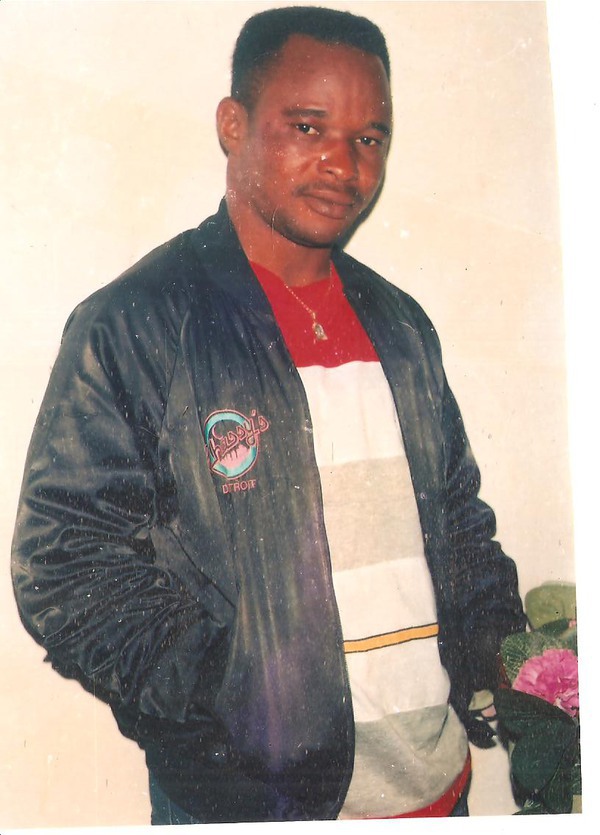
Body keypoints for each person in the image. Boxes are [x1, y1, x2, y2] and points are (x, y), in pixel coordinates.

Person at [11, 5, 526, 824]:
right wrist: (228, 694)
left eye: (369, 137)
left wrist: (504, 653)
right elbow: (63, 561)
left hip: (439, 791)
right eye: (308, 126)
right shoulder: (137, 323)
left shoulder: (402, 327)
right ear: (233, 124)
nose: (343, 164)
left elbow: (459, 522)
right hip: (252, 802)